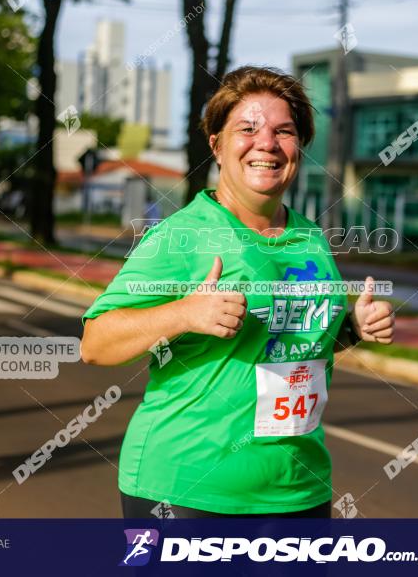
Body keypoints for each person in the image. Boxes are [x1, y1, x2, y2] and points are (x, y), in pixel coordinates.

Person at [81, 66, 395, 518]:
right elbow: (95, 343)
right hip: (186, 492)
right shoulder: (181, 236)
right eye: (246, 129)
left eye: (283, 131)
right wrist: (185, 314)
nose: (266, 143)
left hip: (298, 490)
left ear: (299, 148)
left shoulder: (310, 237)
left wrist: (354, 328)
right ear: (217, 145)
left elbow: (294, 342)